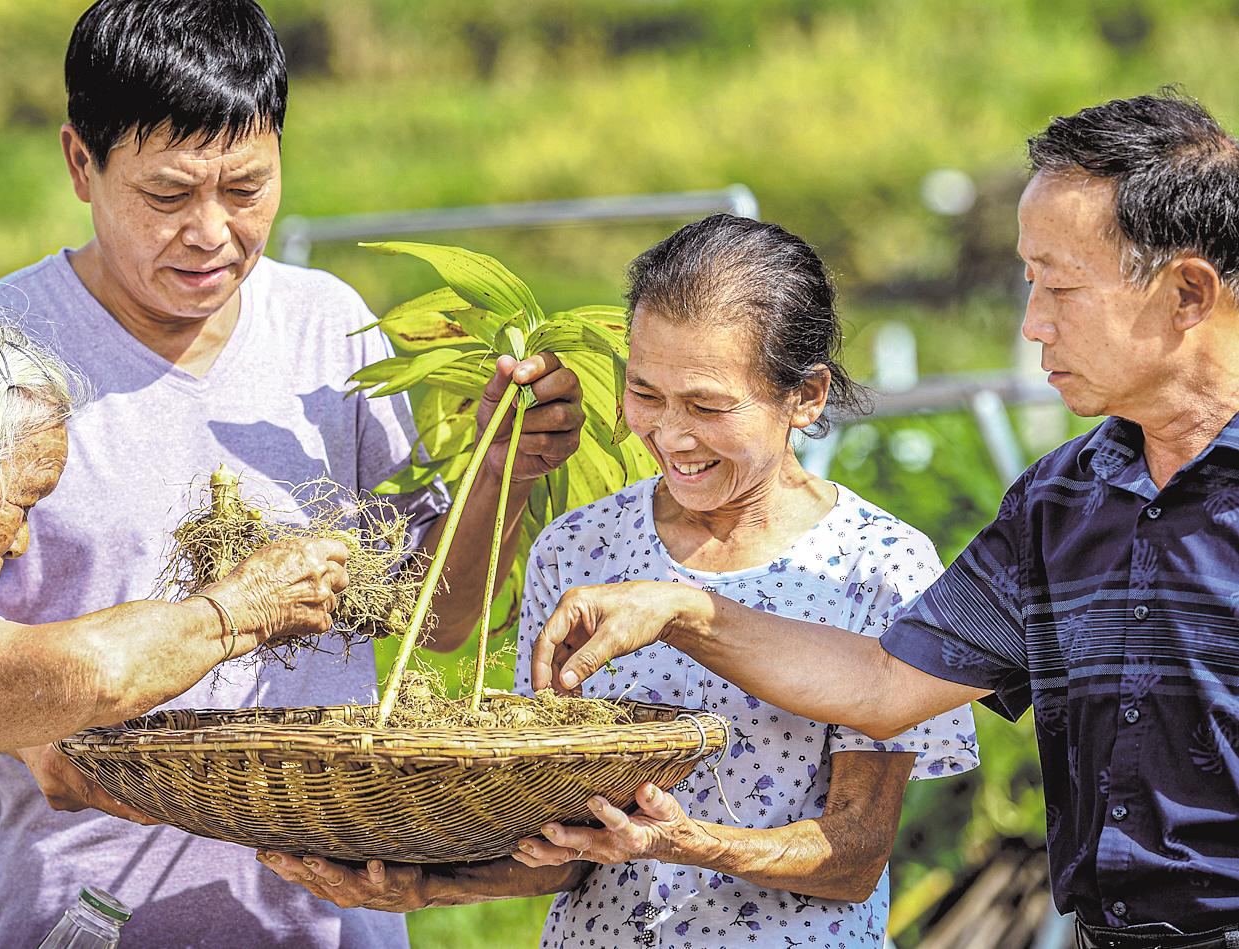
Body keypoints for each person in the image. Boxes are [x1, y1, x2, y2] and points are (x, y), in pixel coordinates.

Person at [530, 93, 1239, 947]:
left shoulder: (887, 547)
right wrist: (682, 610)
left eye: (1059, 287)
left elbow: (855, 834)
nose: (1032, 323)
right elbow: (883, 684)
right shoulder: (1061, 500)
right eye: (1028, 283)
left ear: (1187, 292)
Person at [0, 1, 586, 946]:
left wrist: (500, 473)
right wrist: (67, 733)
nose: (212, 233)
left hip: (332, 920)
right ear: (80, 163)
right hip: (92, 919)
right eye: (169, 196)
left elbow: (435, 612)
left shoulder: (325, 328)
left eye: (247, 189)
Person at [260, 215, 979, 949]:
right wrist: (428, 881)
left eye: (706, 405)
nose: (669, 433)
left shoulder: (874, 565)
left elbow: (852, 856)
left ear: (806, 396)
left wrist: (681, 841)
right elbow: (556, 848)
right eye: (645, 392)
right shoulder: (580, 548)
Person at [0, 293, 348, 947]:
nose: (17, 545)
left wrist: (29, 729)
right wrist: (243, 605)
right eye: (23, 502)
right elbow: (94, 672)